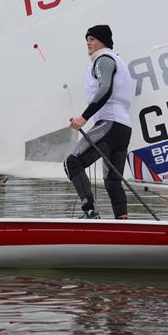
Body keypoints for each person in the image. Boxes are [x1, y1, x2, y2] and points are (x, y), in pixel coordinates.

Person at [64, 25, 133, 219]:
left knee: (72, 162)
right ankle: (124, 221)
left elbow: (105, 89)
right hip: (123, 128)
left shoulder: (104, 59)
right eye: (87, 38)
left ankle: (90, 212)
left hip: (109, 124)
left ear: (103, 41)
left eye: (92, 39)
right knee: (112, 181)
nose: (88, 42)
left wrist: (83, 118)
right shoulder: (118, 60)